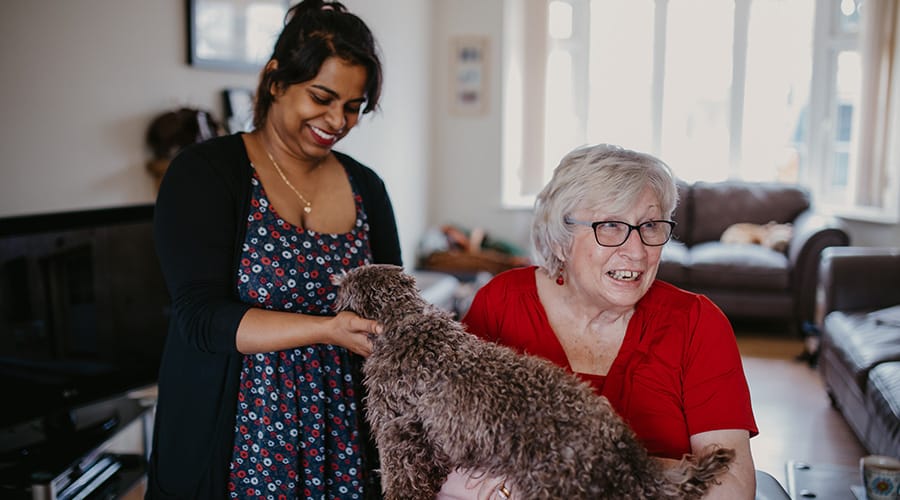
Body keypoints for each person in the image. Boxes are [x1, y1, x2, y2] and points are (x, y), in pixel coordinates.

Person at [146, 1, 400, 498]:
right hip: (239, 436)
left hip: (341, 436)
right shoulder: (205, 174)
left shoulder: (365, 187)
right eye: (322, 97)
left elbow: (392, 307)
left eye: (353, 106)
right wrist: (326, 330)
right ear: (276, 79)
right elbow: (199, 318)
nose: (337, 120)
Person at [444, 144, 758, 499]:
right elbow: (444, 453)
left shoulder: (698, 324)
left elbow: (731, 488)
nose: (637, 251)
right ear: (561, 240)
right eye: (610, 225)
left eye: (651, 226)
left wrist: (586, 467)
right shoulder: (500, 304)